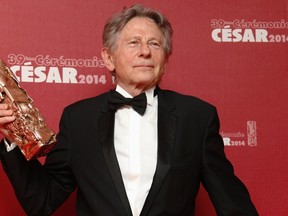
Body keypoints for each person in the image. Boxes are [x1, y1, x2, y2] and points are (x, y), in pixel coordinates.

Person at [0, 4, 258, 216]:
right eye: (134, 42)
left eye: (155, 44)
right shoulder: (78, 119)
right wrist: (13, 137)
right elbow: (43, 199)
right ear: (108, 58)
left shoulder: (197, 117)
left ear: (165, 61)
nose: (145, 51)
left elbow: (232, 203)